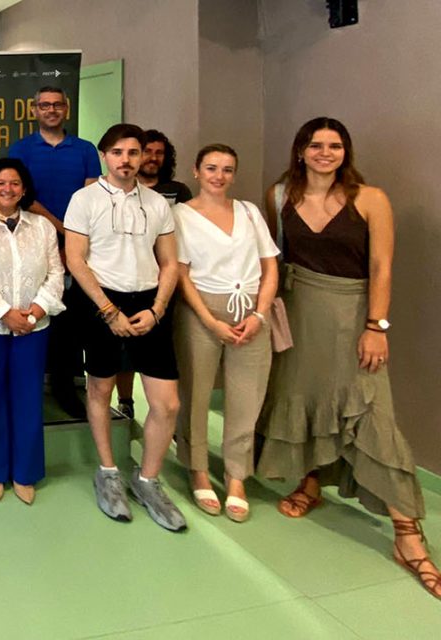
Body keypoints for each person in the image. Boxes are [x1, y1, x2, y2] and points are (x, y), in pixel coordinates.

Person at [256, 118, 438, 599]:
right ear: (300, 151)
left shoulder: (371, 199)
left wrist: (377, 326)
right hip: (298, 317)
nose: (325, 153)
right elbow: (269, 260)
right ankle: (311, 482)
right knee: (305, 398)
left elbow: (381, 266)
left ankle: (407, 533)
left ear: (345, 152)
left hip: (354, 316)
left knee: (371, 413)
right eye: (315, 145)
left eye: (335, 146)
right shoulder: (278, 197)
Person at [63, 123, 186, 532]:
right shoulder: (84, 199)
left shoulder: (157, 203)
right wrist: (108, 311)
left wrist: (157, 308)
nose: (126, 160)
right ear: (105, 156)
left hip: (149, 303)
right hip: (102, 301)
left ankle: (148, 480)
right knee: (100, 388)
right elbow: (76, 259)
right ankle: (108, 471)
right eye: (118, 152)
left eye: (134, 153)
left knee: (167, 403)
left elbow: (169, 262)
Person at [171, 144, 277, 523]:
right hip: (200, 310)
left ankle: (236, 477)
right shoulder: (180, 215)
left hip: (250, 310)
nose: (219, 176)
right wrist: (210, 320)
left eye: (227, 169)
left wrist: (261, 315)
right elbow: (180, 273)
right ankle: (198, 468)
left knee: (247, 399)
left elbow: (270, 266)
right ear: (196, 172)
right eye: (212, 168)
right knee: (196, 394)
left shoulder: (249, 212)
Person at [0, 158, 63, 505]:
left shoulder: (43, 227)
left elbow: (56, 274)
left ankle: (25, 471)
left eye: (15, 184)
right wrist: (5, 313)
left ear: (24, 189)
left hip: (34, 328)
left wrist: (35, 312)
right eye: (1, 183)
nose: (8, 189)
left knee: (28, 397)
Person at [8, 86, 103, 420]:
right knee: (34, 311)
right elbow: (21, 194)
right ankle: (30, 390)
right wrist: (61, 229)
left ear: (66, 109)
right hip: (35, 241)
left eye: (57, 105)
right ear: (34, 110)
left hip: (79, 245)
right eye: (44, 105)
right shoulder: (20, 149)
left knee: (71, 320)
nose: (51, 110)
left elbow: (93, 197)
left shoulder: (86, 150)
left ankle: (65, 387)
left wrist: (74, 236)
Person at [114, 129, 195, 418]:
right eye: (147, 151)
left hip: (168, 278)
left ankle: (165, 413)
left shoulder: (178, 191)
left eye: (159, 153)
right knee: (125, 350)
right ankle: (126, 401)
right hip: (129, 278)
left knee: (163, 349)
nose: (152, 158)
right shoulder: (122, 191)